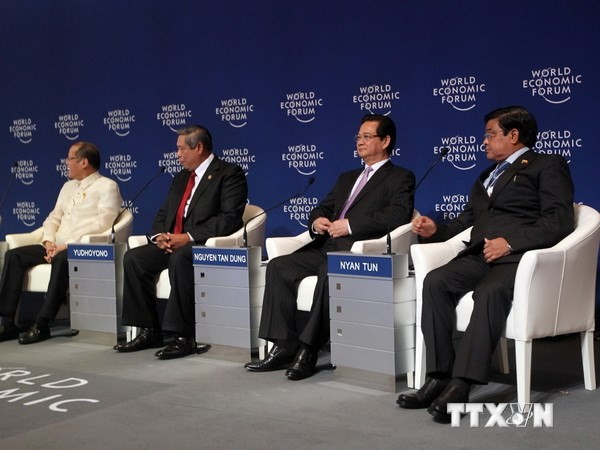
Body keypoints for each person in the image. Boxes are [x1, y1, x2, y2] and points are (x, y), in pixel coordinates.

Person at [397, 106, 575, 423]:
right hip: (479, 254)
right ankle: (439, 375)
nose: (484, 142)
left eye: (491, 134)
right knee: (435, 282)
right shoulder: (485, 176)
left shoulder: (546, 165)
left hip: (520, 259)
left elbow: (559, 221)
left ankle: (462, 384)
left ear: (514, 135)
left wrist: (511, 242)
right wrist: (434, 229)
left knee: (490, 293)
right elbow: (468, 220)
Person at [245, 114, 415, 380]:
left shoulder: (401, 177)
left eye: (367, 137)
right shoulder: (347, 177)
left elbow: (397, 216)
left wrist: (349, 226)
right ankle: (283, 345)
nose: (360, 141)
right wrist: (318, 221)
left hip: (359, 251)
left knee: (329, 271)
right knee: (278, 266)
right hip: (326, 245)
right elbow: (323, 206)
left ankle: (309, 349)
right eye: (358, 136)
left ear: (386, 141)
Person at [114, 124, 247, 360]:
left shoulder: (229, 173)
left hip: (203, 245)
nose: (177, 155)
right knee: (134, 258)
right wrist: (160, 237)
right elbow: (164, 213)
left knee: (181, 257)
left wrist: (186, 238)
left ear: (199, 147)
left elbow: (229, 219)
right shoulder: (180, 178)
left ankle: (183, 337)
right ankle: (148, 330)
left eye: (181, 149)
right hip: (174, 243)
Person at [0, 141, 122, 344]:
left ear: (84, 162)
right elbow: (53, 218)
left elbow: (103, 223)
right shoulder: (67, 187)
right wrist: (48, 242)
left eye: (70, 158)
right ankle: (7, 321)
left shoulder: (107, 186)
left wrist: (68, 245)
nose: (66, 162)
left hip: (80, 248)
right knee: (14, 255)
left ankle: (42, 323)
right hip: (55, 245)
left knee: (62, 259)